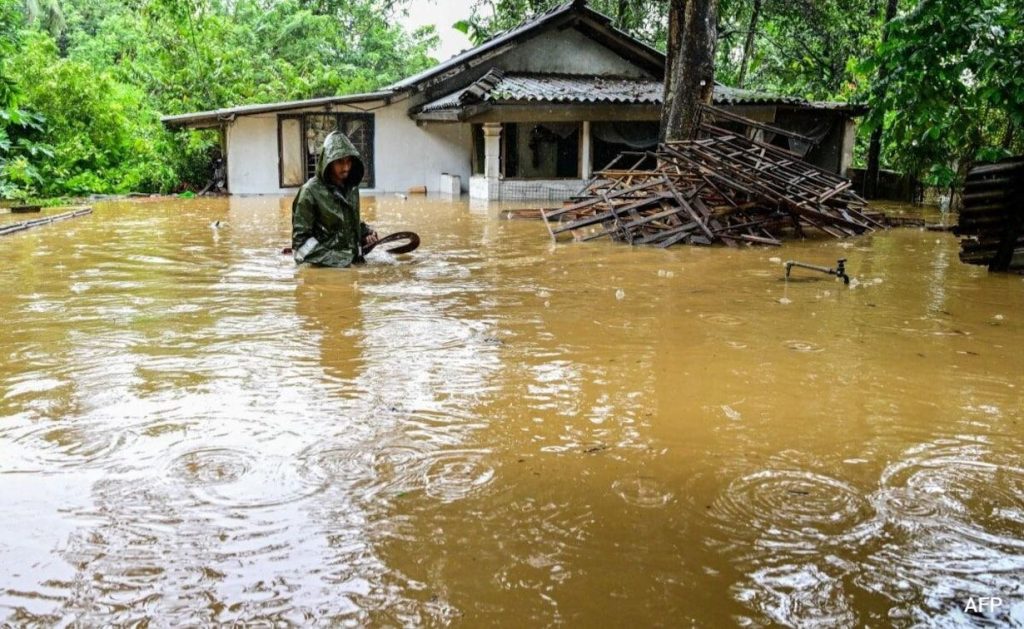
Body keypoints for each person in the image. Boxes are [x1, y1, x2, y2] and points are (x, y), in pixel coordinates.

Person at [292, 130, 378, 267]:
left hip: (351, 263)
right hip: (324, 268)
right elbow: (301, 244)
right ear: (328, 161)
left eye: (349, 161)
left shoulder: (352, 188)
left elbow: (349, 221)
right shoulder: (309, 192)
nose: (346, 167)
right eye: (340, 162)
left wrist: (366, 234)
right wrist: (339, 261)